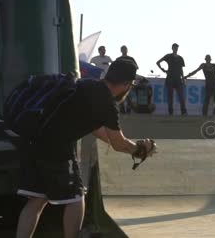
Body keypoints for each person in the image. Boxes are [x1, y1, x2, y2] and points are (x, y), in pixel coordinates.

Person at [12, 59, 157, 238]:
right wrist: (140, 149)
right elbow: (119, 144)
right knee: (76, 198)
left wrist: (135, 147)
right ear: (126, 84)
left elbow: (101, 132)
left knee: (36, 200)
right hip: (57, 149)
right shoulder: (106, 102)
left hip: (34, 141)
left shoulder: (86, 85)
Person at [156, 43, 187, 115]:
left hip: (178, 79)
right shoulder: (168, 56)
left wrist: (183, 78)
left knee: (181, 96)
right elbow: (158, 62)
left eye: (177, 48)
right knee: (170, 96)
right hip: (170, 78)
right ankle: (170, 112)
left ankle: (183, 112)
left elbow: (181, 69)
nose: (176, 49)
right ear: (172, 48)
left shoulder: (180, 58)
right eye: (174, 47)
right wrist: (163, 70)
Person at [116, 45, 138, 114]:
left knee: (129, 95)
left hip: (129, 79)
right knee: (121, 94)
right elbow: (115, 69)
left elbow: (136, 67)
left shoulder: (131, 59)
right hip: (121, 79)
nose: (124, 50)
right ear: (121, 50)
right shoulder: (118, 59)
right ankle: (122, 109)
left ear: (127, 50)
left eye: (125, 49)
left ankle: (128, 109)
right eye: (123, 49)